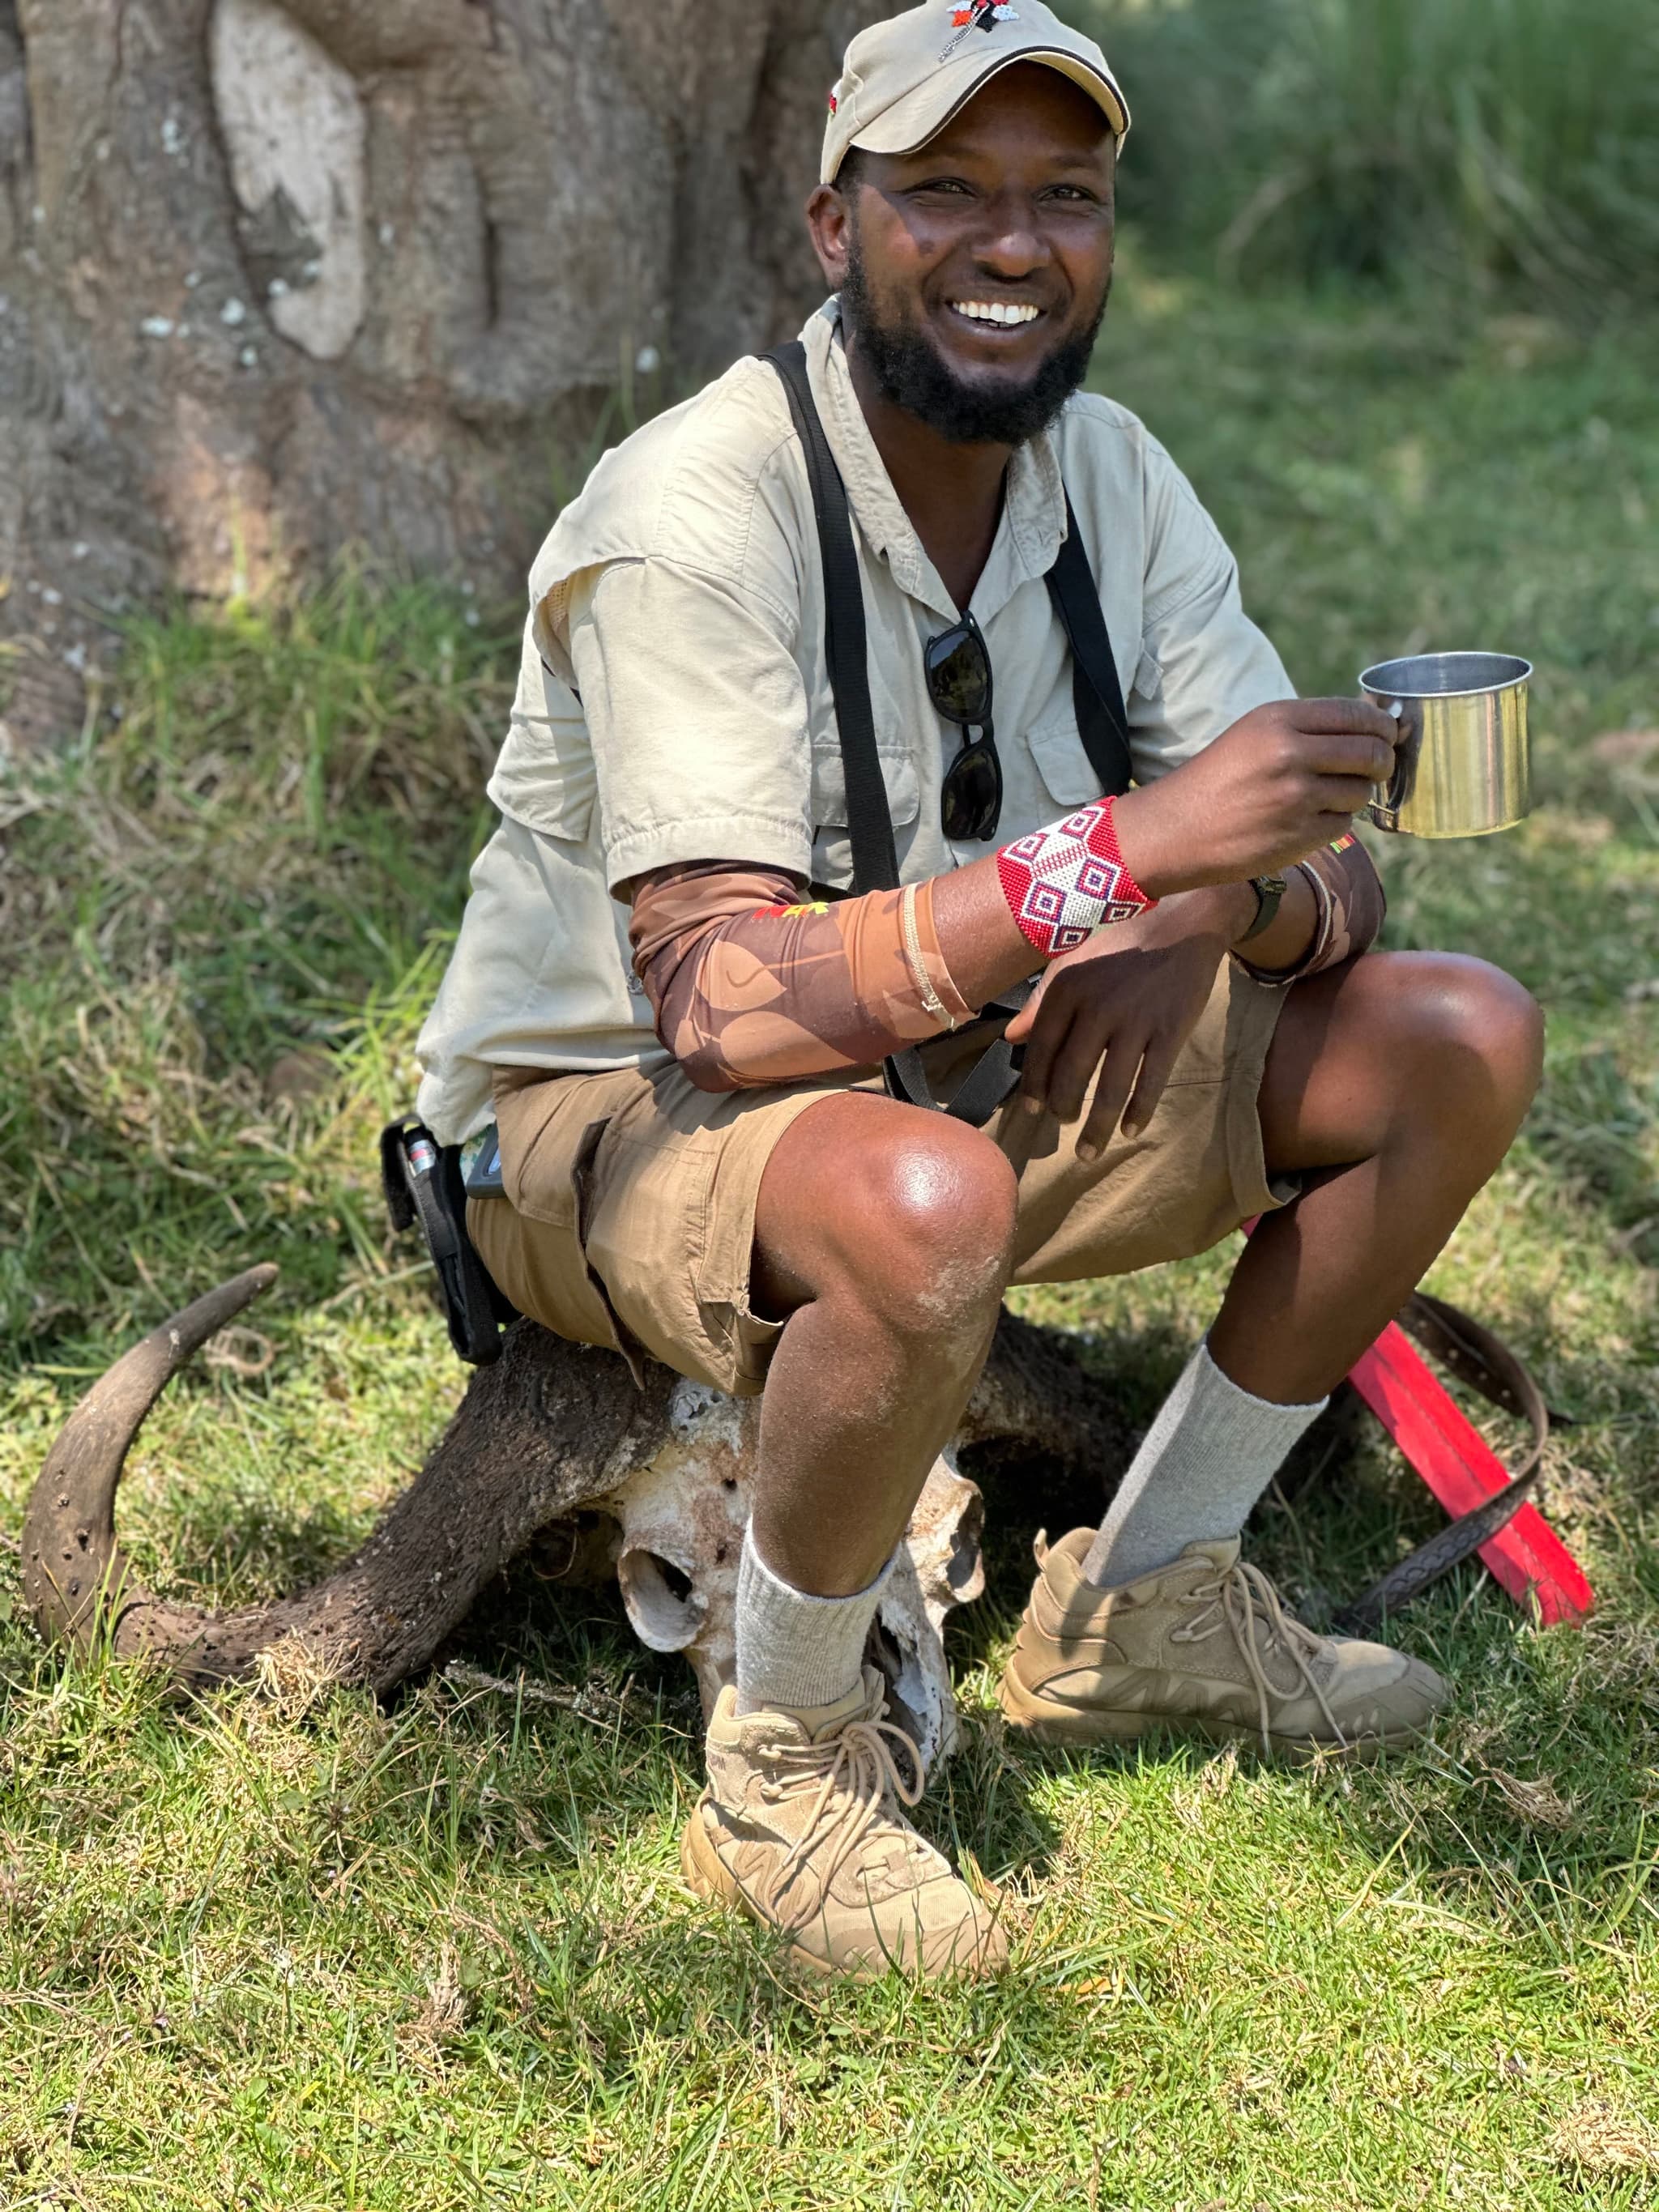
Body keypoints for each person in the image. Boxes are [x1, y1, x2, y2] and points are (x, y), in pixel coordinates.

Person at [415, 0, 1543, 1984]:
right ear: (831, 221)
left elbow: (1323, 864)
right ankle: (789, 1753)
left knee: (1454, 1035)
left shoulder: (1108, 475)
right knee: (920, 1207)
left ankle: (1147, 1597)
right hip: (601, 1121)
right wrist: (1116, 860)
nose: (1013, 245)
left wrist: (1199, 911)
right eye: (944, 192)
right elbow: (723, 1008)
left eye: (1067, 198)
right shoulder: (696, 507)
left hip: (958, 1051)